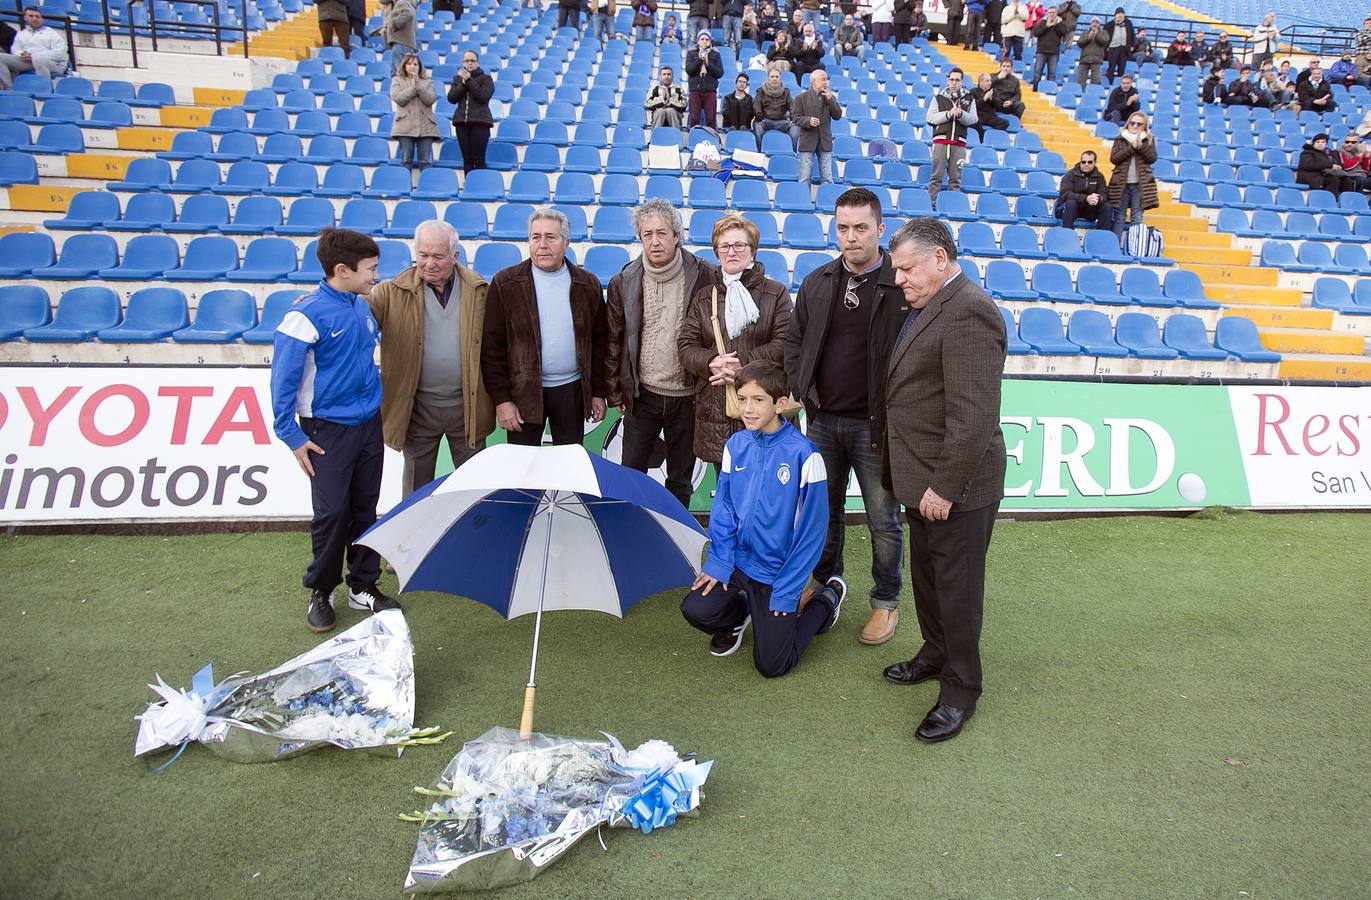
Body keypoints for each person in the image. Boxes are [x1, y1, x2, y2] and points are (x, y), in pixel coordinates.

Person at [881, 217, 1007, 744]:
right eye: (896, 270)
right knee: (929, 582)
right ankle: (935, 654)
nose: (900, 279)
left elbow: (973, 416)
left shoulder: (969, 311)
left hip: (955, 488)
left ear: (939, 258)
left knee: (956, 591)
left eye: (907, 269)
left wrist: (945, 487)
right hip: (920, 479)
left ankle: (960, 690)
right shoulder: (930, 305)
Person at [785, 188, 910, 647]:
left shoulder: (902, 284)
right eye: (842, 227)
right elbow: (795, 342)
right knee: (822, 511)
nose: (851, 236)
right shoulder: (818, 281)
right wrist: (803, 392)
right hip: (822, 421)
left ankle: (885, 601)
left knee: (883, 519)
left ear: (881, 229)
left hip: (877, 427)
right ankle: (825, 580)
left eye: (861, 227)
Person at [270, 228, 399, 633]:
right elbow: (282, 381)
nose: (376, 276)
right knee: (332, 514)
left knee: (365, 507)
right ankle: (321, 590)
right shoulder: (303, 315)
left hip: (367, 425)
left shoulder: (361, 307)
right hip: (325, 431)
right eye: (371, 269)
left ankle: (362, 585)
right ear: (341, 270)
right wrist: (291, 435)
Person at [679, 359, 837, 673]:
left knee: (772, 665)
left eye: (758, 400)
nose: (748, 409)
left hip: (777, 573)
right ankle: (740, 614)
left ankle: (825, 602)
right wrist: (720, 561)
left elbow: (812, 534)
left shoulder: (805, 456)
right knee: (695, 609)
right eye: (742, 399)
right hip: (739, 563)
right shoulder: (736, 445)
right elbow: (723, 507)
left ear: (780, 404)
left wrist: (787, 589)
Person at [367, 220, 493, 497]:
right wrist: (322, 302)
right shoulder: (390, 292)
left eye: (437, 256)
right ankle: (411, 539)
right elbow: (353, 316)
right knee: (415, 488)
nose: (429, 263)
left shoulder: (480, 290)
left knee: (473, 489)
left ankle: (471, 538)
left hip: (467, 408)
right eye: (423, 255)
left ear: (454, 256)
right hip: (417, 409)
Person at [606, 201, 718, 510]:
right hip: (643, 397)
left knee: (680, 478)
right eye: (647, 234)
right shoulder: (624, 279)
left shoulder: (705, 275)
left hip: (689, 395)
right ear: (639, 238)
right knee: (630, 474)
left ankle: (677, 539)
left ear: (676, 236)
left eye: (662, 233)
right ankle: (631, 532)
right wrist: (616, 389)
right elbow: (614, 338)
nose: (654, 241)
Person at [481, 209, 609, 447]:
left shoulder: (587, 284)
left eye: (550, 237)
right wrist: (502, 400)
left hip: (572, 392)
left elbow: (600, 343)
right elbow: (491, 348)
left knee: (569, 464)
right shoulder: (505, 283)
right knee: (523, 470)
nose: (542, 244)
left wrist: (597, 392)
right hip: (523, 394)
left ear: (566, 243)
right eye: (535, 237)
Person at [677, 214, 791, 472]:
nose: (732, 252)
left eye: (740, 245)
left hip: (763, 408)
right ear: (717, 251)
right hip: (718, 408)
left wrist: (743, 365)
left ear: (752, 250)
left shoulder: (776, 293)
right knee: (727, 489)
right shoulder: (705, 297)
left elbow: (784, 342)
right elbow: (686, 344)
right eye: (724, 246)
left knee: (766, 492)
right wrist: (711, 362)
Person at [926, 67, 977, 202]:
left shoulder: (969, 99)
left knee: (955, 179)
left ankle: (951, 205)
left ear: (962, 82)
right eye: (951, 80)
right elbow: (930, 118)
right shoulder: (938, 98)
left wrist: (960, 114)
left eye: (957, 80)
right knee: (936, 177)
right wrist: (948, 114)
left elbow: (973, 119)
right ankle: (933, 205)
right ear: (948, 81)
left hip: (959, 144)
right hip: (941, 142)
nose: (954, 83)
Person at [1110, 111, 1158, 239]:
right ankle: (1114, 244)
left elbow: (1152, 158)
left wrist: (1141, 146)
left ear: (1144, 126)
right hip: (1121, 183)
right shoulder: (1120, 138)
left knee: (1137, 216)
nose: (1135, 126)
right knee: (1119, 215)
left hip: (1140, 184)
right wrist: (1132, 147)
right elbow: (1114, 158)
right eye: (1132, 123)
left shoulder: (1149, 139)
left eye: (1139, 124)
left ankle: (1135, 246)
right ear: (1128, 123)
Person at [792, 68, 842, 185]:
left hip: (825, 141)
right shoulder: (800, 98)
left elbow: (837, 115)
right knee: (804, 178)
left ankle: (828, 202)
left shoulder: (830, 98)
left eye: (827, 80)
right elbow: (795, 118)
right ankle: (803, 202)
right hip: (807, 141)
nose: (826, 83)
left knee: (827, 178)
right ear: (813, 81)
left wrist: (830, 100)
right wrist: (808, 121)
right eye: (823, 80)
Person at [390, 54, 437, 174]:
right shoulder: (397, 80)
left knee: (425, 162)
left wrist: (419, 86)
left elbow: (430, 99)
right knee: (406, 160)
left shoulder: (428, 81)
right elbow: (398, 98)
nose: (412, 66)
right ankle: (404, 187)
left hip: (426, 126)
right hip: (404, 126)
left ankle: (426, 190)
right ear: (404, 66)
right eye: (409, 64)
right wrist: (413, 88)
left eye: (415, 64)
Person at [448, 51, 493, 175]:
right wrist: (463, 83)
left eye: (472, 61)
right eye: (467, 60)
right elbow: (451, 98)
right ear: (463, 63)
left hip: (480, 122)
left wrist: (469, 80)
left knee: (478, 158)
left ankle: (480, 187)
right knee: (466, 159)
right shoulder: (457, 79)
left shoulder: (486, 78)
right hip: (461, 123)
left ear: (478, 63)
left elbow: (483, 96)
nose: (469, 63)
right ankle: (469, 185)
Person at [1055, 150, 1114, 231]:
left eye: (1090, 162)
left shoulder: (1099, 177)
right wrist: (1086, 198)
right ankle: (1067, 235)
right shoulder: (1070, 175)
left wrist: (1098, 199)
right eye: (1083, 162)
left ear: (1095, 163)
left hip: (1089, 209)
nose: (1086, 164)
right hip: (1070, 208)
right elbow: (1065, 194)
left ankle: (1101, 236)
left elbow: (1104, 194)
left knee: (1107, 206)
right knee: (1071, 203)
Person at [685, 31, 724, 129]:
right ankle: (694, 140)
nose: (704, 42)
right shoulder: (691, 53)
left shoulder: (715, 54)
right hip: (695, 90)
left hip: (710, 91)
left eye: (707, 39)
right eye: (702, 39)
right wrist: (699, 60)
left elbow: (719, 73)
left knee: (711, 119)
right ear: (698, 41)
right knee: (694, 118)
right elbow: (689, 70)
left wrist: (707, 63)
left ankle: (711, 141)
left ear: (710, 41)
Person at [1029, 7, 1068, 89]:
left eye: (1053, 12)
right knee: (1037, 73)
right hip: (1041, 51)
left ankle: (1048, 90)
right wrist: (1046, 26)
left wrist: (1056, 24)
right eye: (1050, 12)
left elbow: (1064, 32)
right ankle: (1035, 90)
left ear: (1056, 14)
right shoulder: (1042, 22)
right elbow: (1036, 33)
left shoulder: (1060, 23)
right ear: (1047, 13)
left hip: (1054, 52)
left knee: (1052, 73)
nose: (1051, 14)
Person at [753, 67, 793, 148]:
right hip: (765, 121)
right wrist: (758, 114)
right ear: (768, 78)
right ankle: (761, 151)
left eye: (777, 77)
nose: (774, 79)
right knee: (757, 125)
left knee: (795, 126)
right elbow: (756, 104)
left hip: (782, 122)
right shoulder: (761, 91)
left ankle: (792, 151)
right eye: (772, 76)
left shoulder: (786, 91)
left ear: (780, 79)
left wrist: (793, 115)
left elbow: (792, 105)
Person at [377, 0, 416, 72]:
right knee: (401, 73)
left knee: (399, 73)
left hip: (401, 43)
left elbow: (408, 14)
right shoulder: (407, 3)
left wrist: (393, 24)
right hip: (404, 43)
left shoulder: (401, 2)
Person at [970, 72, 1008, 138]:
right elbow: (972, 106)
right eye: (987, 81)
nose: (990, 82)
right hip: (979, 116)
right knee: (974, 122)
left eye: (990, 80)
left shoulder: (993, 92)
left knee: (1004, 123)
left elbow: (999, 106)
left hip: (990, 117)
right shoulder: (973, 91)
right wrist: (984, 99)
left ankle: (992, 138)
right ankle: (982, 139)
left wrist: (991, 99)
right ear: (981, 82)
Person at [1102, 7, 1133, 83]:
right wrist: (1106, 47)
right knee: (1111, 66)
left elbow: (1132, 35)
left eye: (1122, 13)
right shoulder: (1109, 25)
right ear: (1115, 15)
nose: (1120, 15)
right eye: (1118, 13)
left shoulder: (1128, 23)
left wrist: (1132, 45)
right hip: (1113, 48)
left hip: (1124, 48)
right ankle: (1109, 82)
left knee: (1122, 67)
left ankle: (1119, 83)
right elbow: (1104, 36)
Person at [1075, 18, 1108, 88]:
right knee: (1080, 81)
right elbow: (1079, 43)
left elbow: (1104, 42)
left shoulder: (1103, 33)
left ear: (1099, 24)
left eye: (1097, 22)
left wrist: (1096, 35)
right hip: (1084, 59)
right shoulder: (1085, 33)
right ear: (1090, 24)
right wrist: (1088, 37)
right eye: (1093, 22)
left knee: (1096, 82)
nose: (1095, 24)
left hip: (1096, 60)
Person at [1355, 17, 1371, 81]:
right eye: (1367, 23)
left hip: (1370, 56)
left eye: (1370, 23)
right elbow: (1360, 41)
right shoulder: (1360, 33)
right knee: (1359, 73)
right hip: (1361, 55)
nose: (1369, 25)